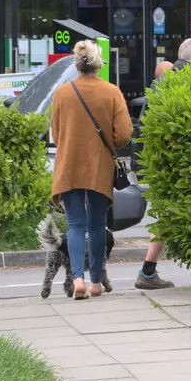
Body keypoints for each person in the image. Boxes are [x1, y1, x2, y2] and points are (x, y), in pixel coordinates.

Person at [49, 40, 133, 299]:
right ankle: (96, 282)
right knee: (96, 226)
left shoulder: (62, 93)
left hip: (69, 165)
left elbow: (56, 133)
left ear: (77, 65)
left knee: (75, 225)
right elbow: (124, 136)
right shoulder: (112, 92)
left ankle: (78, 280)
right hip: (99, 165)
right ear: (99, 65)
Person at [136, 37, 191, 290]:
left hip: (159, 162)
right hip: (184, 163)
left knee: (167, 215)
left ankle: (148, 271)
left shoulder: (161, 83)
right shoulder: (189, 82)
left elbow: (144, 123)